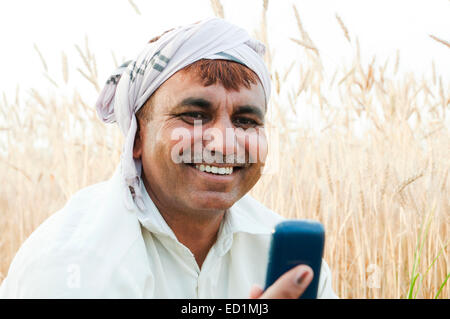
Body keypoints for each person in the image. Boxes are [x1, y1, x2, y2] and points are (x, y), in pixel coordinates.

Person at [0, 17, 338, 299]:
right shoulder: (72, 266)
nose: (223, 143)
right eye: (193, 114)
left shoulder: (283, 257)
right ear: (137, 137)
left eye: (246, 121)